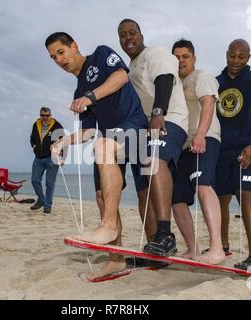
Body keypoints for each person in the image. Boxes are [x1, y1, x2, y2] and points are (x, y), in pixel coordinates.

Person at [46, 32, 148, 276]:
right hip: (107, 136)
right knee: (102, 196)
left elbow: (122, 76)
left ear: (74, 46)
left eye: (61, 52)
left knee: (102, 146)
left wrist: (90, 96)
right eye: (53, 57)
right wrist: (63, 142)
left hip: (134, 125)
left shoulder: (100, 54)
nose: (59, 60)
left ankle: (108, 226)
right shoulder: (78, 88)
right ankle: (116, 259)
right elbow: (89, 131)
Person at [118, 19, 188, 257]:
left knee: (155, 161)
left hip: (170, 119)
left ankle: (166, 234)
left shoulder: (154, 53)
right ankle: (155, 250)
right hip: (143, 129)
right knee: (142, 191)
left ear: (141, 34)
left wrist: (159, 112)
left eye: (132, 33)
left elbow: (165, 79)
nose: (127, 38)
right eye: (122, 35)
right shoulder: (130, 68)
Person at [216, 39, 251, 271]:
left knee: (246, 194)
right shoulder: (215, 83)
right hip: (220, 150)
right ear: (226, 54)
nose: (236, 61)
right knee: (219, 199)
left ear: (248, 57)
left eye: (241, 56)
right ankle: (223, 245)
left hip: (247, 149)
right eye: (232, 55)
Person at [171, 39, 225, 265]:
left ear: (194, 58)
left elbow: (209, 104)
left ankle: (216, 248)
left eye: (185, 56)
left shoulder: (203, 77)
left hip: (205, 138)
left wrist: (201, 135)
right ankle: (192, 249)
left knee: (204, 186)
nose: (181, 61)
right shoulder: (174, 83)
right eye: (176, 57)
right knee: (177, 198)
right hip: (185, 144)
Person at [30, 107, 64, 214]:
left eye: (47, 115)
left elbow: (63, 141)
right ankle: (41, 200)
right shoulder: (36, 124)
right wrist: (34, 146)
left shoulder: (57, 126)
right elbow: (32, 138)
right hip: (38, 158)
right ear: (40, 115)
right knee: (35, 180)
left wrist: (62, 157)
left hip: (53, 158)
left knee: (49, 183)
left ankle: (47, 206)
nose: (45, 118)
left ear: (50, 115)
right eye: (42, 115)